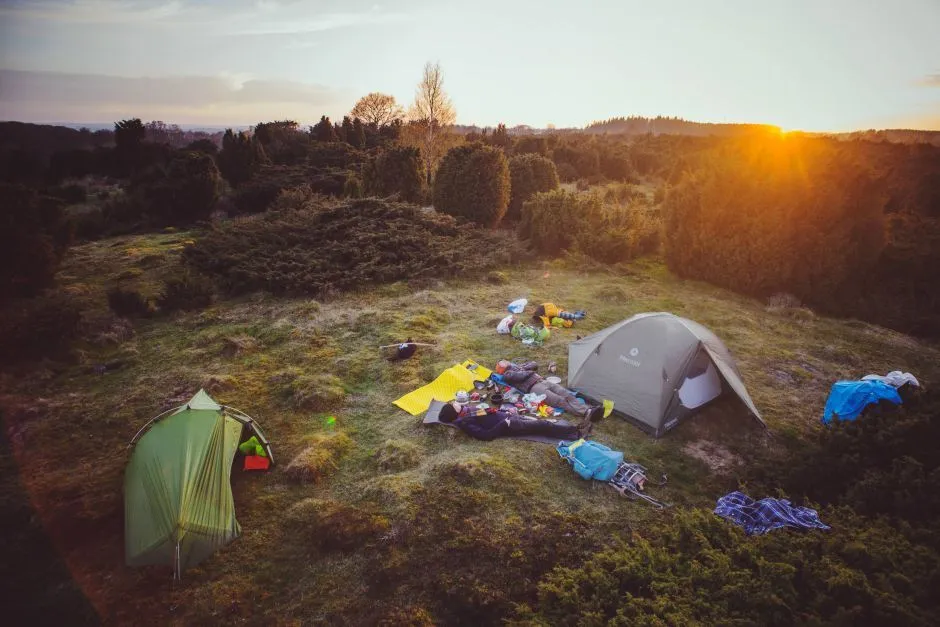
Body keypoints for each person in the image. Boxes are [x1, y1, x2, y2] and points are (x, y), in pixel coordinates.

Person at [498, 360, 603, 421]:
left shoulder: (517, 367)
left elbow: (534, 364)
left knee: (566, 394)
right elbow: (522, 376)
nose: (505, 361)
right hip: (535, 388)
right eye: (502, 362)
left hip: (543, 381)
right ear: (502, 368)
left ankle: (588, 410)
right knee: (560, 400)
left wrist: (523, 367)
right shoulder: (507, 375)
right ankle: (585, 413)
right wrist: (526, 369)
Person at [438, 402, 590, 442]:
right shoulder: (465, 423)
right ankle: (576, 434)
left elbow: (485, 414)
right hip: (510, 425)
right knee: (543, 426)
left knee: (540, 423)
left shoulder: (465, 413)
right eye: (453, 405)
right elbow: (486, 436)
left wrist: (503, 412)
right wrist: (505, 423)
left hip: (507, 417)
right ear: (454, 412)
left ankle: (573, 429)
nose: (455, 403)